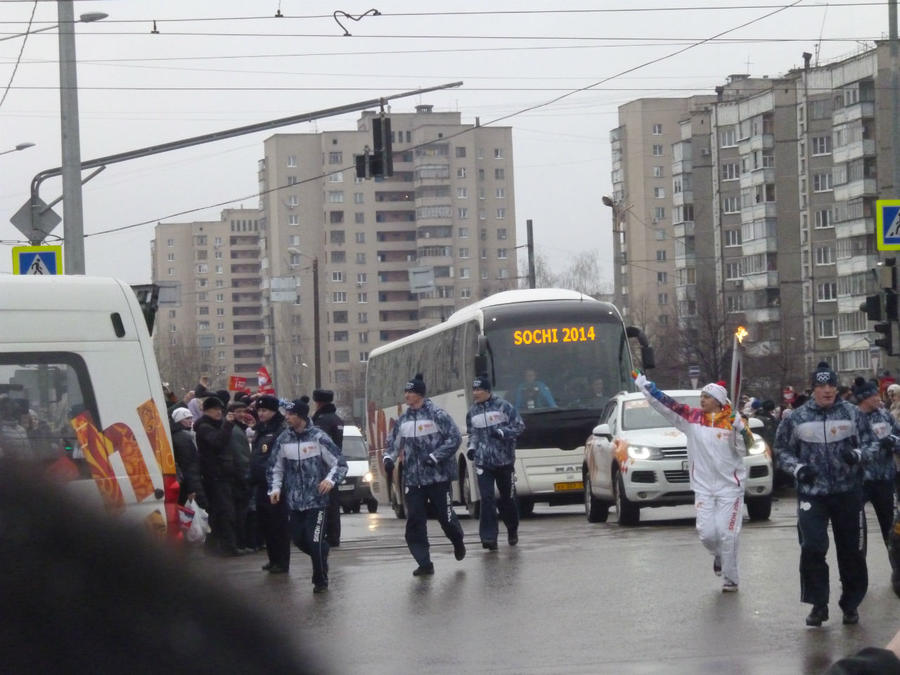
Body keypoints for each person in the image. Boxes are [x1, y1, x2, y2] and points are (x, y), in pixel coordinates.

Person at [775, 361, 877, 627]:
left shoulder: (853, 414)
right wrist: (798, 469)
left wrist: (857, 454)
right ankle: (818, 605)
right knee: (812, 546)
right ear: (813, 389)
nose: (828, 390)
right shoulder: (796, 417)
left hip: (847, 492)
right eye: (821, 386)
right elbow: (781, 451)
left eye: (831, 385)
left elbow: (872, 444)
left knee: (851, 551)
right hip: (813, 493)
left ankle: (851, 604)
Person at [634, 374, 751, 593]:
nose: (702, 400)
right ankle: (718, 555)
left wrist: (740, 430)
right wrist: (647, 387)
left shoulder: (733, 421)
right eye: (702, 396)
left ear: (718, 400)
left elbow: (746, 448)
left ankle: (730, 578)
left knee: (728, 534)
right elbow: (667, 406)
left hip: (730, 488)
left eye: (707, 396)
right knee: (707, 534)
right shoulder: (692, 418)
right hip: (704, 487)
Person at [383, 373, 466, 576]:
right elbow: (393, 444)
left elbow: (454, 439)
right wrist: (388, 459)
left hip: (438, 477)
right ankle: (424, 562)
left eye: (410, 392)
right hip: (413, 479)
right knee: (415, 521)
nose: (406, 395)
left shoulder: (437, 415)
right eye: (406, 392)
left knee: (446, 517)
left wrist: (435, 457)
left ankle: (457, 540)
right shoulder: (403, 420)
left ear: (419, 394)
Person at [269, 398, 347, 593]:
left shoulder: (318, 437)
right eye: (286, 414)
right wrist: (275, 489)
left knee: (314, 541)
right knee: (299, 540)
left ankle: (320, 580)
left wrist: (330, 480)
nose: (287, 417)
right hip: (295, 502)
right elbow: (275, 467)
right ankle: (322, 551)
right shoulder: (283, 439)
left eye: (291, 414)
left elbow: (340, 463)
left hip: (317, 501)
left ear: (301, 416)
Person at [465, 374, 525, 550]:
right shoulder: (472, 412)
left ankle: (512, 529)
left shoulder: (503, 407)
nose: (475, 393)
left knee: (507, 498)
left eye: (479, 390)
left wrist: (502, 433)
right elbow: (473, 434)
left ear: (488, 391)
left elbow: (519, 426)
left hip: (504, 460)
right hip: (483, 462)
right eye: (474, 389)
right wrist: (471, 448)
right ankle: (489, 537)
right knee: (487, 498)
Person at [853, 380, 899, 548]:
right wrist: (877, 445)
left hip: (885, 479)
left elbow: (898, 438)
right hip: (861, 481)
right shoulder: (852, 418)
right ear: (864, 398)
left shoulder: (885, 415)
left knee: (893, 531)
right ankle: (857, 572)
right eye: (874, 395)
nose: (878, 398)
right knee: (857, 533)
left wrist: (893, 442)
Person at [194, 396, 241, 556]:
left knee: (219, 513)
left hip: (222, 475)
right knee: (225, 512)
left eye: (220, 409)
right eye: (215, 409)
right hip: (215, 476)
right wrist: (227, 425)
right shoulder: (204, 427)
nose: (218, 412)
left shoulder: (214, 425)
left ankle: (214, 547)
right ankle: (228, 547)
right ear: (206, 411)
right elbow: (218, 442)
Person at [249, 395, 290, 574]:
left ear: (274, 410)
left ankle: (282, 561)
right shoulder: (261, 429)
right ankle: (273, 559)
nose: (261, 413)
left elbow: (279, 459)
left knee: (278, 525)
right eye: (259, 410)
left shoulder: (281, 430)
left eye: (264, 410)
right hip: (261, 484)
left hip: (275, 486)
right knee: (266, 524)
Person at [311, 389, 344, 547]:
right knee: (334, 503)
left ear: (318, 402)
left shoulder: (321, 421)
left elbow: (318, 444)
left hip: (323, 467)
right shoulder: (337, 419)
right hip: (335, 464)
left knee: (323, 504)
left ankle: (326, 536)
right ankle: (334, 535)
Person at [226, 400, 254, 552]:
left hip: (239, 476)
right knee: (240, 512)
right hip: (239, 477)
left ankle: (241, 543)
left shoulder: (238, 429)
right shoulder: (235, 431)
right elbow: (240, 456)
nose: (243, 414)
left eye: (244, 411)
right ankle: (240, 544)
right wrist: (246, 476)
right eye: (239, 412)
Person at [169, 407, 206, 508]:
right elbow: (189, 465)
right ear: (178, 420)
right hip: (188, 485)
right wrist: (192, 489)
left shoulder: (182, 434)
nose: (190, 421)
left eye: (191, 418)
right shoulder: (183, 437)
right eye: (187, 418)